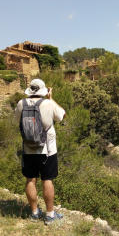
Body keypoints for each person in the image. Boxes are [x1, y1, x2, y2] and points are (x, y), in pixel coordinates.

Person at [15, 79, 66, 225]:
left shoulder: (21, 103)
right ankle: (50, 215)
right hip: (47, 150)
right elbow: (62, 115)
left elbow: (17, 121)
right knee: (47, 180)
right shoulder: (48, 104)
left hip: (27, 149)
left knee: (30, 179)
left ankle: (34, 213)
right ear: (44, 90)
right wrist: (51, 98)